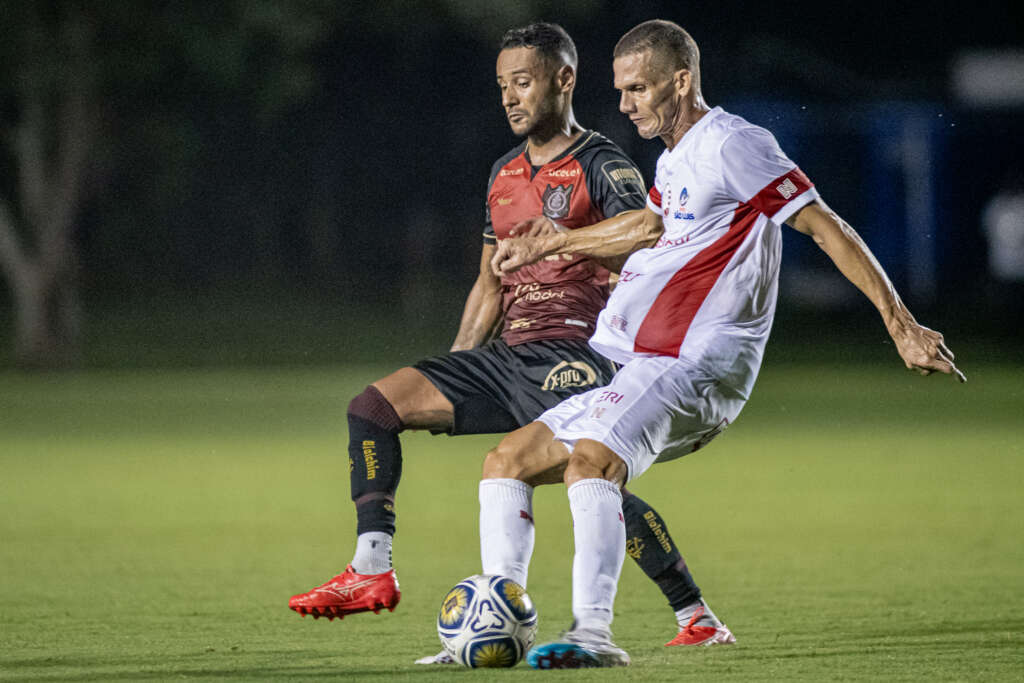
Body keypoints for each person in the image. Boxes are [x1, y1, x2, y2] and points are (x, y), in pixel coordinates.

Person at [480, 19, 966, 669]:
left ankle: (591, 634)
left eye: (639, 89)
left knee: (591, 462)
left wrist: (898, 322)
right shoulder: (676, 156)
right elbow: (651, 227)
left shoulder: (733, 143)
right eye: (620, 90)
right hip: (639, 359)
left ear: (682, 81)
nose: (625, 104)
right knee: (506, 461)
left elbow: (823, 224)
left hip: (690, 363)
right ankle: (495, 622)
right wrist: (556, 241)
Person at [287, 22, 732, 662]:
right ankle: (371, 567)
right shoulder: (501, 175)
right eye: (502, 86)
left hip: (580, 354)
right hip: (506, 357)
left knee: (586, 478)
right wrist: (462, 371)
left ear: (563, 81)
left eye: (522, 82)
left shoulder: (601, 162)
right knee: (374, 408)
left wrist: (566, 239)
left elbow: (647, 230)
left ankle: (689, 612)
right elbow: (488, 284)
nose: (510, 97)